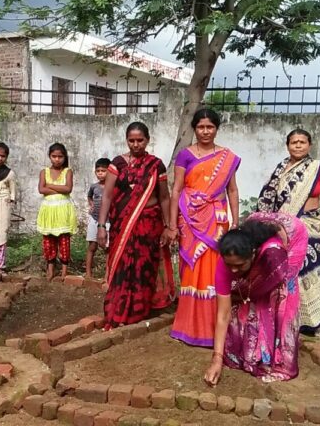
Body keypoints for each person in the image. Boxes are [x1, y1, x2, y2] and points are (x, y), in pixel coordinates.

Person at [203, 212, 307, 385]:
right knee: (243, 295)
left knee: (280, 296)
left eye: (239, 265)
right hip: (262, 234)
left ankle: (280, 359)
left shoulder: (273, 253)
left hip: (295, 237)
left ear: (252, 254)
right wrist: (217, 359)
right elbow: (223, 313)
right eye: (230, 265)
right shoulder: (224, 263)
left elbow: (267, 288)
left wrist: (248, 291)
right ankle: (250, 351)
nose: (233, 270)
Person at [168, 108, 241, 347]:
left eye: (210, 127)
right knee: (191, 270)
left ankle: (213, 328)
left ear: (217, 129)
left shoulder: (226, 157)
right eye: (201, 127)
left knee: (215, 271)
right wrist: (172, 224)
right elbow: (177, 189)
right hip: (190, 220)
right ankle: (187, 326)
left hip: (216, 221)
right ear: (195, 128)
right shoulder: (185, 155)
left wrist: (236, 222)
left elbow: (232, 190)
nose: (205, 131)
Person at [256, 128, 320, 338]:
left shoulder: (317, 169)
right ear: (288, 146)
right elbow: (269, 202)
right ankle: (289, 318)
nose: (298, 145)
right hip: (283, 230)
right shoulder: (279, 171)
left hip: (311, 228)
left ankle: (316, 321)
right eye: (294, 142)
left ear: (309, 145)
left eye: (302, 142)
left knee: (312, 271)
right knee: (287, 273)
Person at [97, 122, 174, 330]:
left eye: (140, 140)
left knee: (143, 267)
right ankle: (118, 310)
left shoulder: (156, 166)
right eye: (131, 140)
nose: (136, 144)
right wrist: (101, 226)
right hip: (122, 225)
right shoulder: (117, 164)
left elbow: (164, 197)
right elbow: (107, 196)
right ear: (126, 140)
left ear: (147, 140)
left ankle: (139, 310)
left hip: (149, 225)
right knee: (122, 267)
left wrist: (169, 226)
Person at [37, 143, 77, 281]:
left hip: (63, 211)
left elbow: (68, 189)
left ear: (64, 157)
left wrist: (50, 186)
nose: (57, 159)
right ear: (49, 156)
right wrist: (60, 188)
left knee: (64, 240)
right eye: (54, 156)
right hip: (48, 211)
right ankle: (50, 270)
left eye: (60, 156)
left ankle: (64, 271)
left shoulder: (68, 171)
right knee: (49, 241)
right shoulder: (44, 172)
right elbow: (41, 189)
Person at [0, 142, 17, 278]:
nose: (0, 158)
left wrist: (8, 203)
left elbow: (13, 193)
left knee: (1, 234)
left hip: (3, 206)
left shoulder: (9, 173)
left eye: (3, 156)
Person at [85, 157, 110, 279]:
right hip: (94, 219)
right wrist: (91, 205)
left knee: (107, 249)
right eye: (98, 171)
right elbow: (89, 197)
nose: (100, 173)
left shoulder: (113, 187)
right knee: (92, 246)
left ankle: (107, 275)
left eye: (103, 171)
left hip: (108, 221)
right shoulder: (94, 186)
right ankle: (88, 273)